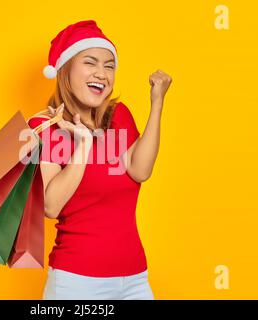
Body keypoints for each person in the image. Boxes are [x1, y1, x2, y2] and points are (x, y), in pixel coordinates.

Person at [27, 20, 172, 300]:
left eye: (109, 65)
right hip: (77, 282)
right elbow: (51, 205)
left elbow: (140, 171)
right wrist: (82, 145)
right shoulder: (44, 126)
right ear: (66, 69)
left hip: (135, 278)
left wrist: (157, 103)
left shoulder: (119, 116)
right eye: (90, 63)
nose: (102, 73)